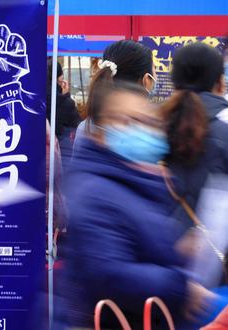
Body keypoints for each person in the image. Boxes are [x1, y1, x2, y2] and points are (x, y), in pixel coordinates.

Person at [57, 81, 215, 329]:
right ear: (100, 132)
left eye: (148, 122)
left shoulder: (137, 179)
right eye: (128, 121)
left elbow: (137, 244)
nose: (141, 130)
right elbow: (109, 273)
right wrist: (180, 287)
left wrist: (178, 251)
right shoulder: (95, 191)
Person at [160, 43, 228, 230]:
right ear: (220, 82)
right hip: (214, 251)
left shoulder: (153, 126)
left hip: (158, 246)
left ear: (173, 82)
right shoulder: (224, 128)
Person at [73, 40, 157, 151]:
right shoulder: (146, 136)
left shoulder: (85, 127)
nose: (156, 75)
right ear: (146, 80)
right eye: (154, 69)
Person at [46, 59, 80, 162]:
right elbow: (77, 124)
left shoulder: (35, 99)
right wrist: (66, 96)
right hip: (61, 153)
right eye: (61, 75)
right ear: (58, 78)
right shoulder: (66, 102)